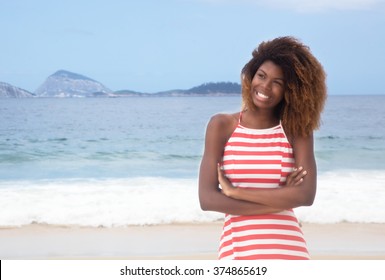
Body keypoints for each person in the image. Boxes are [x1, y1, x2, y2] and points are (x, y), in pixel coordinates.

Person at [198, 36, 327, 260]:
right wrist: (282, 198)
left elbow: (305, 195)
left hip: (289, 250)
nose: (266, 86)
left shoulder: (297, 130)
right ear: (251, 75)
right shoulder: (221, 125)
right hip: (238, 252)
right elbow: (207, 199)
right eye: (262, 76)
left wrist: (234, 193)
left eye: (278, 82)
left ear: (291, 89)